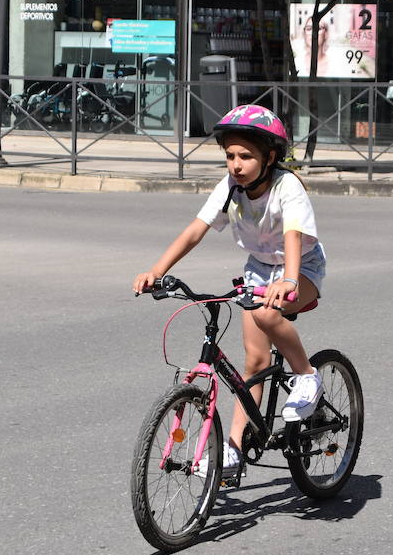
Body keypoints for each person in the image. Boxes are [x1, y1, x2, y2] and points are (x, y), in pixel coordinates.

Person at [133, 104, 324, 479]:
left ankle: (307, 375)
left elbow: (293, 235)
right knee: (254, 363)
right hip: (259, 269)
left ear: (270, 157)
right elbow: (195, 229)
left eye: (246, 156)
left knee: (270, 313)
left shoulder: (287, 186)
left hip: (301, 267)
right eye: (230, 156)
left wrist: (287, 280)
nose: (236, 164)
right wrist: (158, 271)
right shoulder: (230, 189)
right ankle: (234, 448)